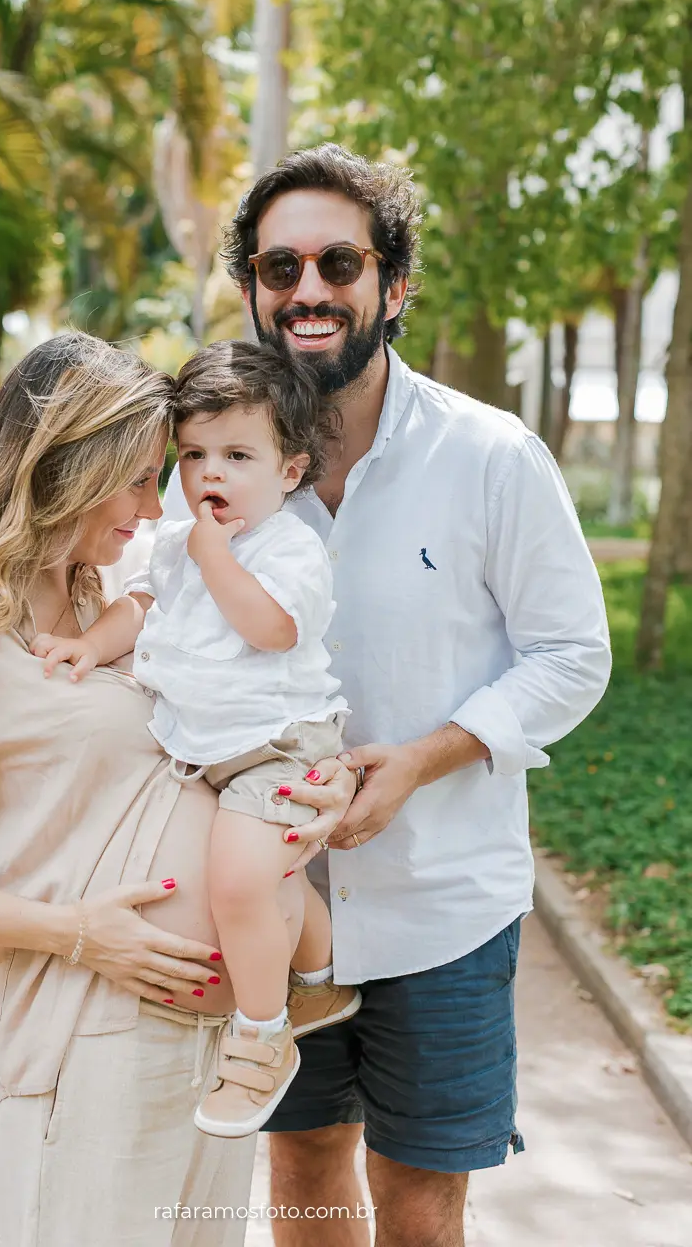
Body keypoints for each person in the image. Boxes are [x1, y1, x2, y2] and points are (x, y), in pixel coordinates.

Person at [160, 146, 613, 1246]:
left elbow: (570, 652)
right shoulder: (207, 468)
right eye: (278, 266)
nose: (306, 289)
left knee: (418, 1203)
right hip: (271, 904)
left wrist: (419, 758)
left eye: (337, 262)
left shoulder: (491, 456)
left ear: (390, 285)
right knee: (305, 1173)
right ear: (251, 291)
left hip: (441, 903)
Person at [0, 332, 356, 1247]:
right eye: (136, 477)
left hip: (217, 1046)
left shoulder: (121, 595)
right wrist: (79, 934)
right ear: (59, 473)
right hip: (90, 1045)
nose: (157, 504)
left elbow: (244, 709)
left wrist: (318, 781)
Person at [31, 340, 361, 1140]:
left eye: (238, 455)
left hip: (279, 746)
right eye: (195, 455)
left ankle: (261, 1036)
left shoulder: (289, 549)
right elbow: (141, 606)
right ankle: (317, 976)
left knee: (241, 886)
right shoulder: (176, 543)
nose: (211, 474)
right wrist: (92, 645)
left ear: (290, 471)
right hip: (207, 747)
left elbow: (273, 630)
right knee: (267, 881)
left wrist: (215, 555)